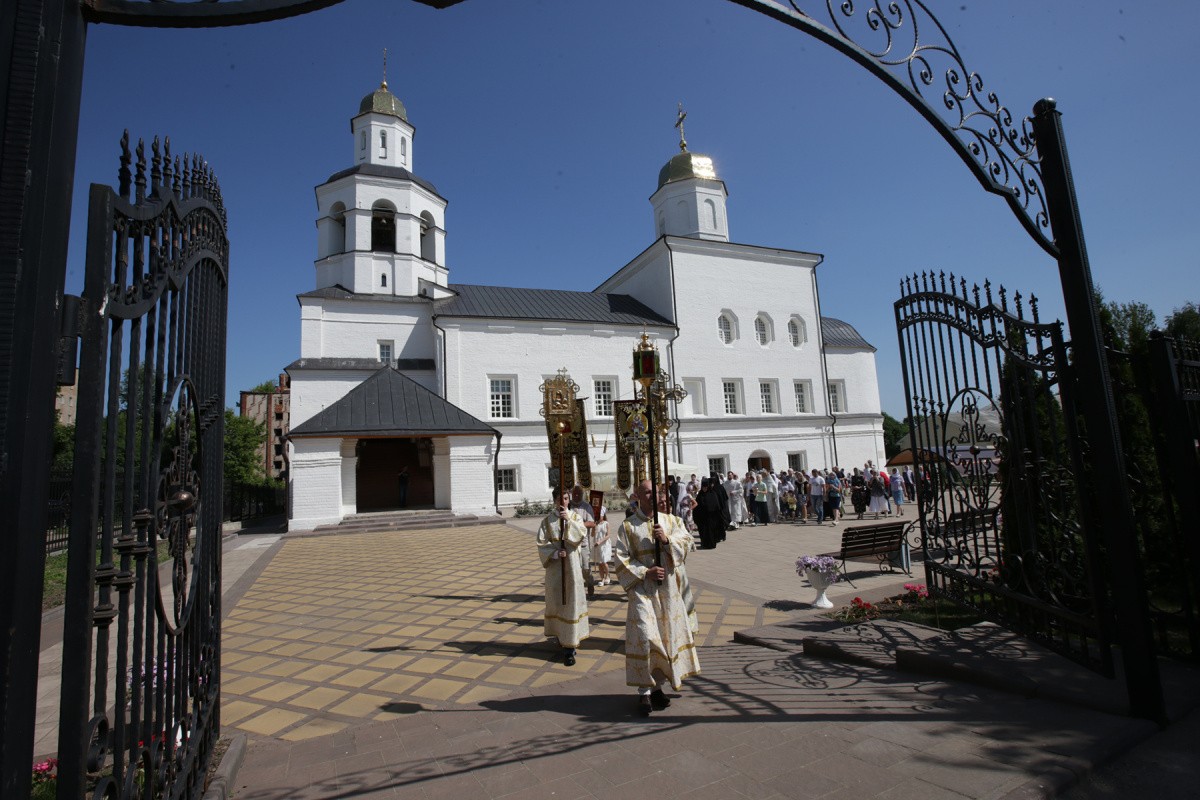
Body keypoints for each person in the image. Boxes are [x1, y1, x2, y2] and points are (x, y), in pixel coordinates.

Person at [613, 479, 700, 716]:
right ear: (637, 496)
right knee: (646, 636)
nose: (652, 496)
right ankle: (644, 691)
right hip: (642, 591)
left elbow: (686, 543)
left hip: (668, 591)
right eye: (647, 492)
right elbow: (621, 559)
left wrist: (667, 540)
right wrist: (645, 572)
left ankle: (658, 687)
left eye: (655, 492)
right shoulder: (628, 526)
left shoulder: (671, 521)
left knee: (665, 636)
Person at [536, 487, 590, 666]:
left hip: (572, 568)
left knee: (571, 603)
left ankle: (570, 647)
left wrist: (569, 521)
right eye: (560, 499)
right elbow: (541, 543)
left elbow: (581, 535)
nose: (563, 502)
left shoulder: (575, 517)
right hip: (555, 570)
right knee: (558, 602)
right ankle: (561, 636)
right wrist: (554, 553)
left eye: (566, 499)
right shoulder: (547, 521)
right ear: (554, 500)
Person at [568, 485, 597, 599]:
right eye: (574, 494)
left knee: (585, 568)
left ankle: (589, 582)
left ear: (582, 495)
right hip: (571, 543)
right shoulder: (568, 505)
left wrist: (578, 524)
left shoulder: (586, 507)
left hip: (583, 543)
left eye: (578, 494)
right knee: (574, 568)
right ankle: (577, 591)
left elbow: (592, 523)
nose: (576, 496)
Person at [693, 477, 726, 549]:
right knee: (703, 531)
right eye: (703, 487)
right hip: (702, 517)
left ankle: (711, 544)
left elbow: (716, 506)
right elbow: (697, 506)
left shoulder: (712, 494)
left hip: (711, 517)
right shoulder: (700, 495)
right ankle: (704, 544)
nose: (704, 489)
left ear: (708, 487)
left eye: (706, 487)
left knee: (711, 531)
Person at [592, 504, 613, 585]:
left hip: (604, 545)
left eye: (599, 515)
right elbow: (592, 535)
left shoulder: (606, 523)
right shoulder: (595, 524)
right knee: (600, 563)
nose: (598, 517)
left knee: (604, 561)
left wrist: (600, 541)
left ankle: (607, 575)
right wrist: (593, 528)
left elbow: (608, 535)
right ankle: (602, 579)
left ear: (603, 515)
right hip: (597, 545)